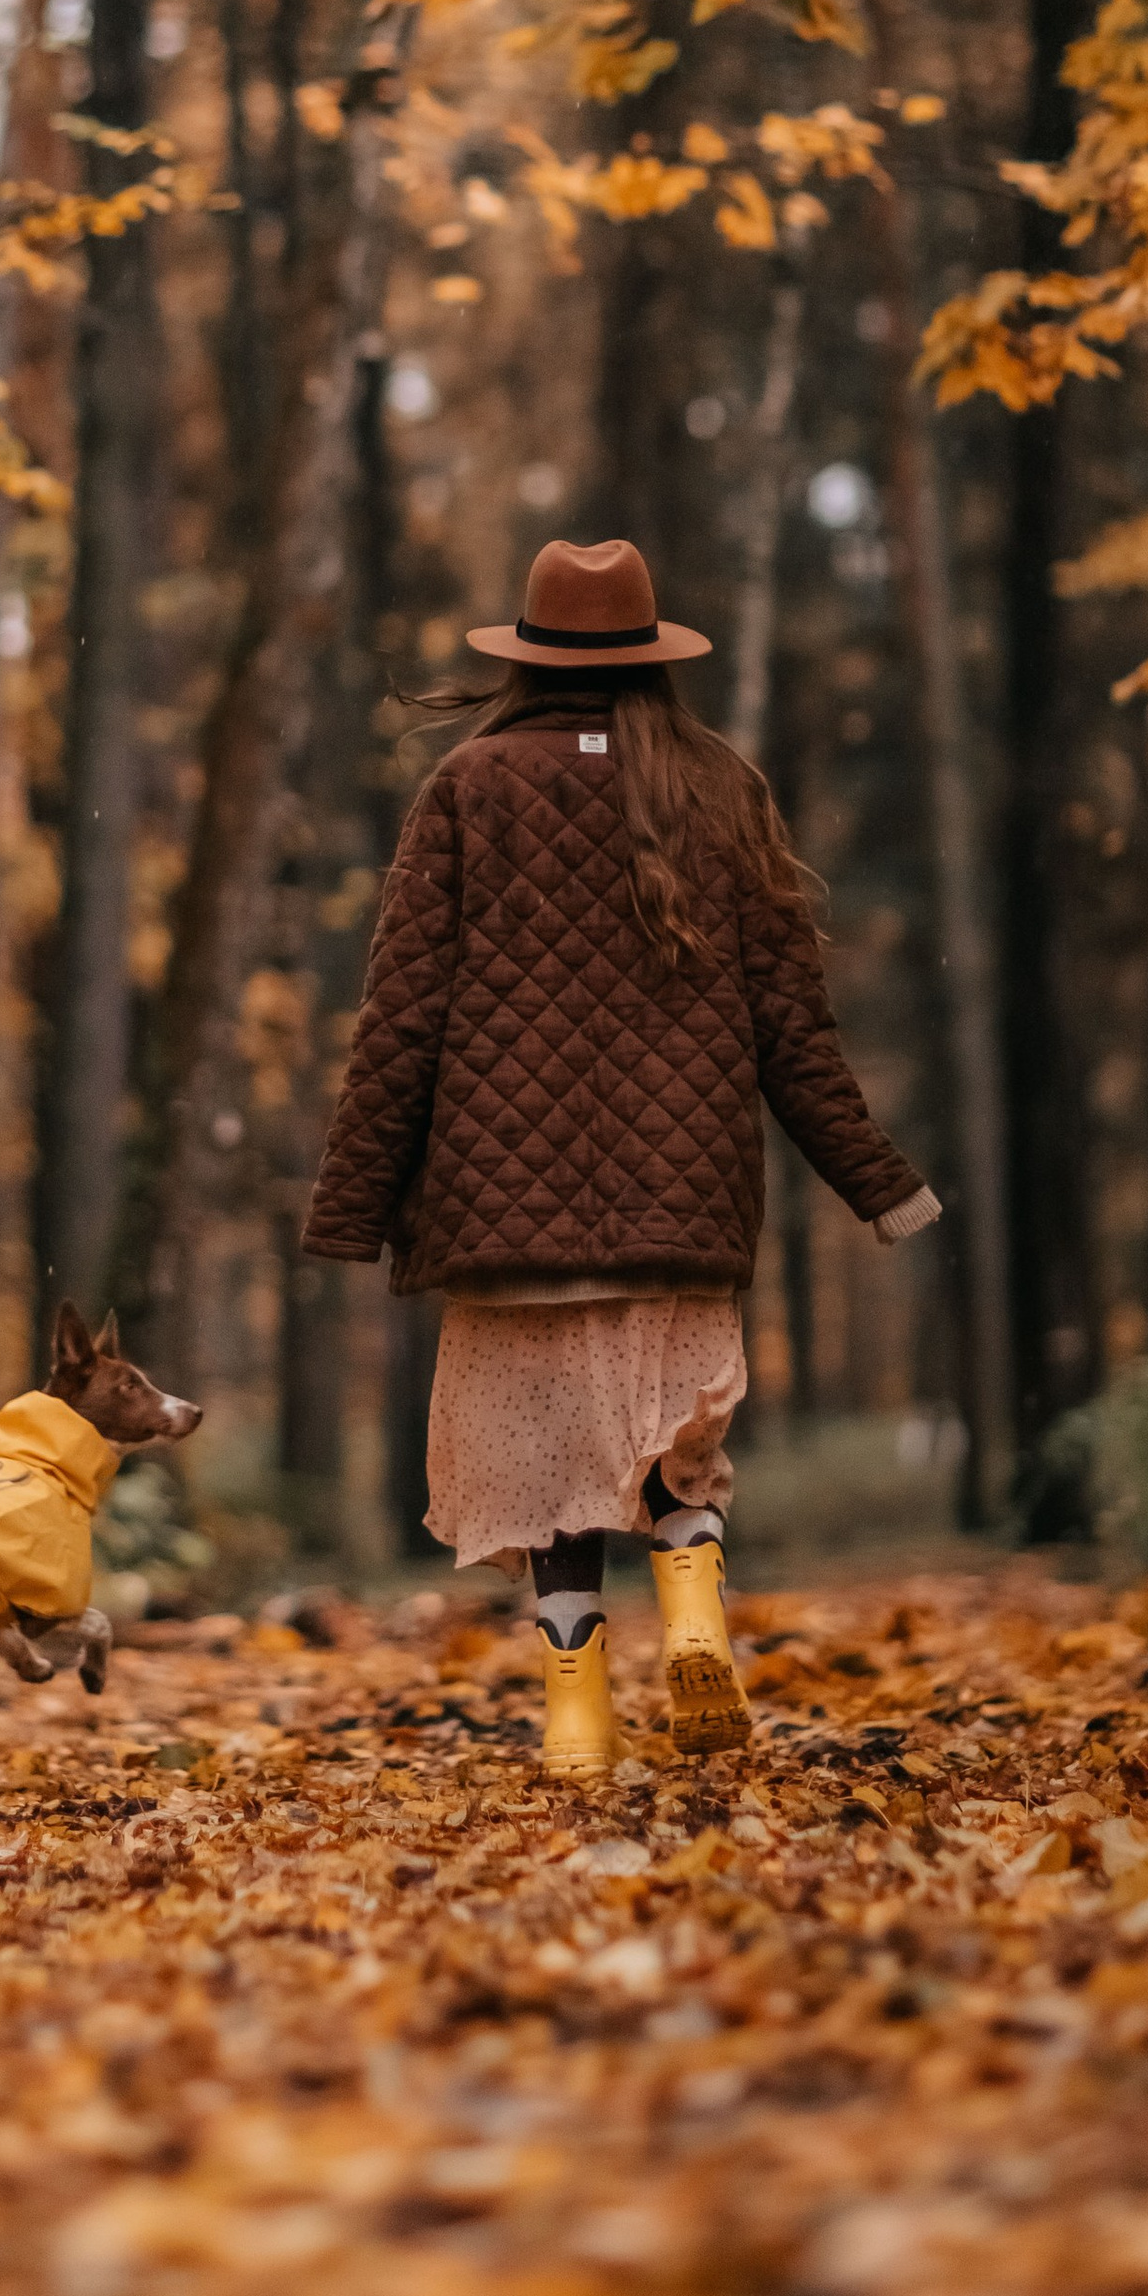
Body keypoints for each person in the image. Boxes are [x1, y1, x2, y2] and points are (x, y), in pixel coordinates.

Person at [302, 535, 938, 1780]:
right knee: (669, 1449)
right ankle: (692, 1605)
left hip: (502, 1225)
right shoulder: (721, 787)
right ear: (654, 660)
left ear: (528, 658)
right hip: (681, 1212)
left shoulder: (467, 790)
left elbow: (403, 1015)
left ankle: (577, 1714)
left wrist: (354, 1201)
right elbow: (790, 1029)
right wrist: (881, 1183)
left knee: (549, 1477)